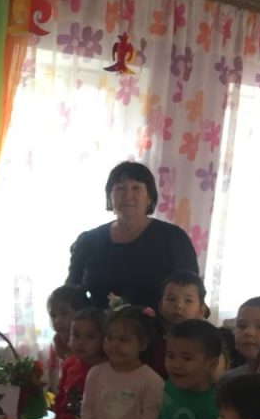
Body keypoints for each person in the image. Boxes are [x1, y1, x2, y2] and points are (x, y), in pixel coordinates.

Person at [66, 161, 199, 311]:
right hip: (100, 325)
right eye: (120, 188)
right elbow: (70, 295)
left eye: (136, 188)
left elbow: (192, 295)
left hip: (157, 325)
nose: (128, 196)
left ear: (149, 197)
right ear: (109, 197)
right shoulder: (88, 240)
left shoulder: (173, 238)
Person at [148, 270, 209, 379]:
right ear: (160, 307)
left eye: (188, 300)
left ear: (201, 310)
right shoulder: (151, 336)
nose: (178, 305)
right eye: (171, 299)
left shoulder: (206, 341)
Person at [44, 285, 88, 393]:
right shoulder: (57, 341)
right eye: (53, 315)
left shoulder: (85, 343)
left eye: (64, 313)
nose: (58, 320)